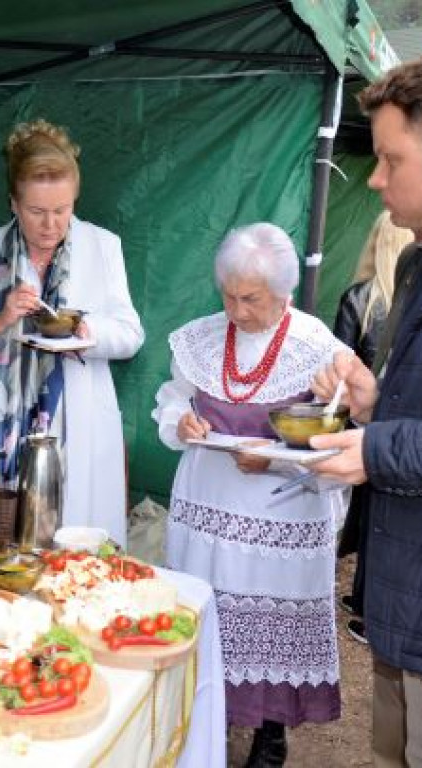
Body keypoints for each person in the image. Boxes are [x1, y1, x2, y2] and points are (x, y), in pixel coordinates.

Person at [152, 223, 348, 767]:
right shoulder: (202, 338)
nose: (236, 310)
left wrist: (272, 458)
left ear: (284, 293)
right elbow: (170, 398)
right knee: (210, 614)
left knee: (267, 631)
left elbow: (334, 451)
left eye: (250, 299)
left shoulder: (319, 352)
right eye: (228, 295)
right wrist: (181, 420)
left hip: (277, 522)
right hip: (207, 511)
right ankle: (205, 717)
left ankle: (269, 731)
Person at [0, 119, 143, 545]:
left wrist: (85, 329)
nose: (51, 224)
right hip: (0, 439)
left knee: (73, 561)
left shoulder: (103, 246)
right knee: (0, 557)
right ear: (13, 203)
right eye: (37, 212)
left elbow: (131, 334)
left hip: (77, 434)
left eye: (62, 210)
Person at [310, 57, 422, 768]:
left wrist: (376, 448)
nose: (375, 179)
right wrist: (377, 403)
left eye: (390, 158)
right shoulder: (414, 265)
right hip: (400, 594)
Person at [331, 210, 413, 645]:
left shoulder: (359, 298)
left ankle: (367, 603)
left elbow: (341, 358)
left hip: (373, 425)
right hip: (395, 421)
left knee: (369, 511)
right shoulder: (403, 296)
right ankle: (368, 602)